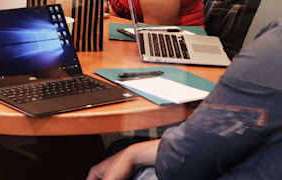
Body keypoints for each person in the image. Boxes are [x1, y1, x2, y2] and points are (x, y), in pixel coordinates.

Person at [87, 19, 282, 180]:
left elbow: (188, 158)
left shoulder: (275, 50)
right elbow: (235, 127)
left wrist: (131, 154)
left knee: (117, 151)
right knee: (122, 149)